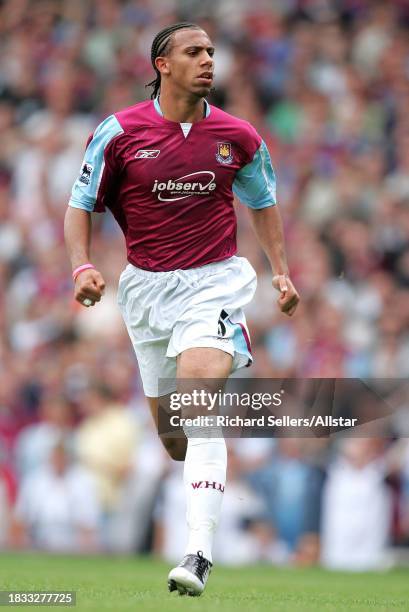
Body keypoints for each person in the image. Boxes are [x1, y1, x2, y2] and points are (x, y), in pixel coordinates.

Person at [64, 22, 299, 596]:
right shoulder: (118, 132)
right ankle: (204, 484)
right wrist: (81, 265)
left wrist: (281, 270)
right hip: (144, 292)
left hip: (214, 282)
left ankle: (197, 554)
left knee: (198, 404)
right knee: (175, 439)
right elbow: (80, 205)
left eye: (212, 53)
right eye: (194, 52)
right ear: (162, 65)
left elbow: (263, 203)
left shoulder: (238, 135)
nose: (208, 61)